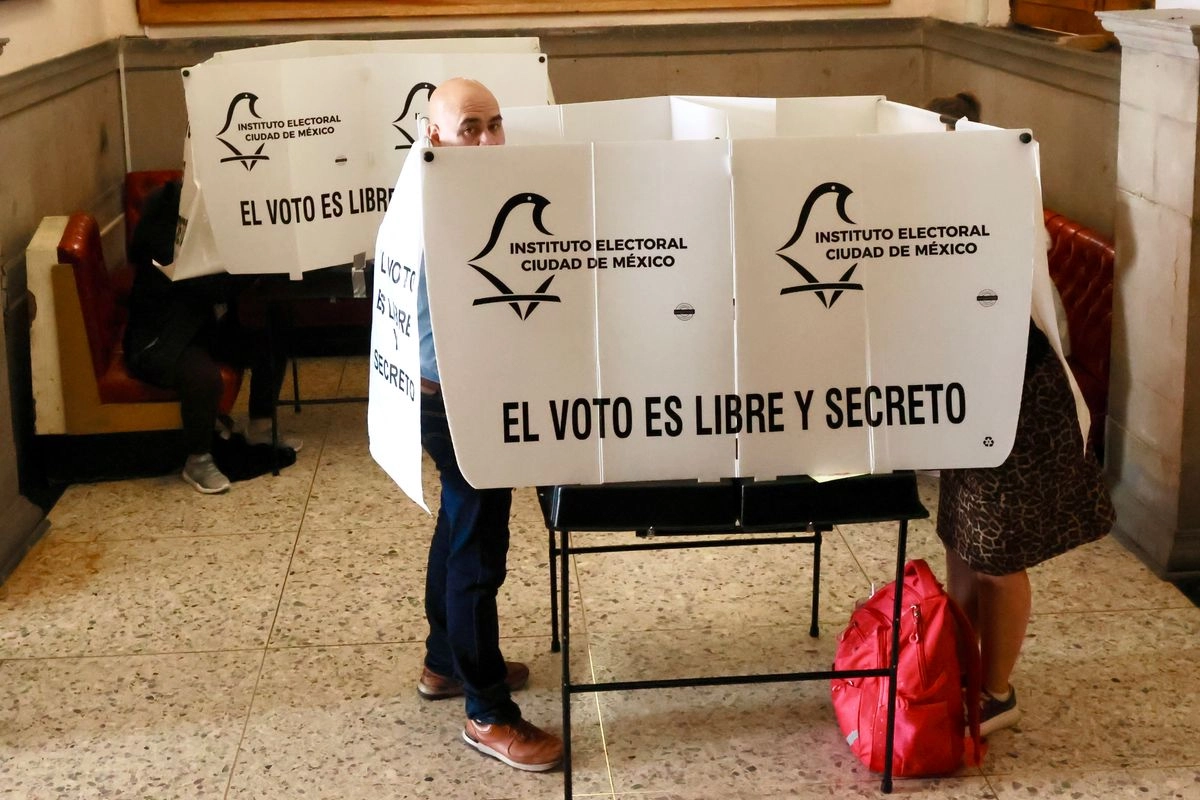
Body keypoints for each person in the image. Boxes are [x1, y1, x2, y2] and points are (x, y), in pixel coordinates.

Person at [927, 93, 1116, 737]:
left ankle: (997, 692)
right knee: (962, 540)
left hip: (1020, 396)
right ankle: (959, 668)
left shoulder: (998, 210)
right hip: (972, 393)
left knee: (997, 561)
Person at [414, 77, 564, 773]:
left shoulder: (456, 191)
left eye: (495, 124)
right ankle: (487, 712)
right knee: (479, 541)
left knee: (457, 517)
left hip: (452, 388)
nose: (487, 139)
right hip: (455, 394)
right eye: (469, 127)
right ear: (434, 133)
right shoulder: (436, 201)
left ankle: (445, 663)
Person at [124, 180, 300, 494]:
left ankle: (260, 426)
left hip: (204, 326)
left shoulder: (211, 210)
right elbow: (203, 282)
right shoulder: (166, 222)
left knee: (272, 329)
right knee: (204, 378)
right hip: (166, 336)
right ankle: (198, 459)